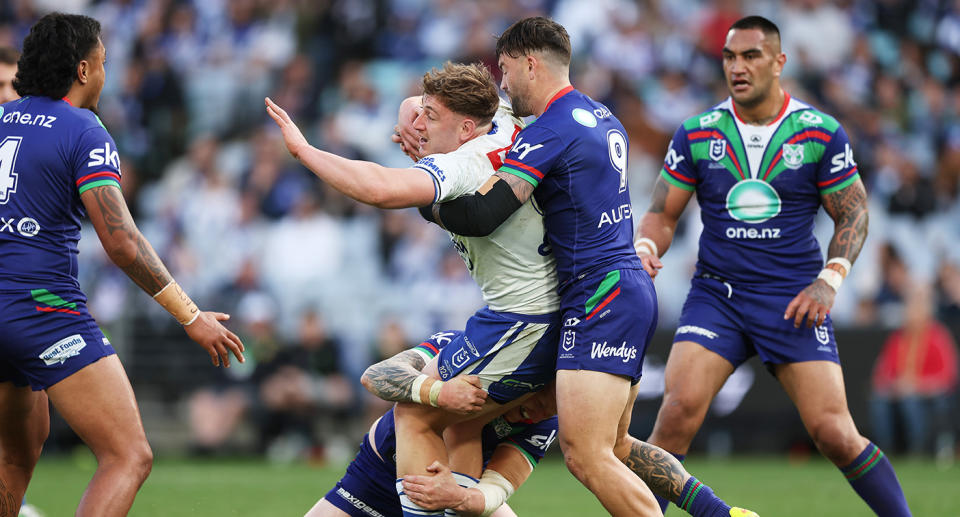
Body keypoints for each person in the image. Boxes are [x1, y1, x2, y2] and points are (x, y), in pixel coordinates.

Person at [269, 61, 752, 517]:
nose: (414, 127)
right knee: (613, 445)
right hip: (556, 313)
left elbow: (379, 188)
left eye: (428, 118)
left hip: (526, 319)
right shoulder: (495, 120)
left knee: (422, 419)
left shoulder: (467, 164)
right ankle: (721, 512)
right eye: (416, 118)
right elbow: (391, 385)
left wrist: (305, 152)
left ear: (464, 127)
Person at [420, 17, 741, 517]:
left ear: (530, 63)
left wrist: (428, 198)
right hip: (620, 286)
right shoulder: (600, 114)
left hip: (599, 295)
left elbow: (485, 214)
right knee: (617, 447)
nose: (503, 83)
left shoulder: (552, 128)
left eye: (504, 70)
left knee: (586, 455)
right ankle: (723, 515)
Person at [633, 16, 912, 516]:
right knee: (674, 417)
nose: (738, 67)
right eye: (729, 57)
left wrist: (831, 280)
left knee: (834, 433)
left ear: (779, 62)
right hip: (718, 296)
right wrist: (647, 248)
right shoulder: (698, 133)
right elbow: (662, 213)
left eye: (751, 56)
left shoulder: (819, 133)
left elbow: (853, 210)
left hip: (792, 299)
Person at [0, 13, 244, 517]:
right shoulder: (83, 130)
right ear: (85, 69)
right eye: (105, 62)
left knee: (15, 452)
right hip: (41, 310)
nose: (106, 73)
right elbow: (122, 243)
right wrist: (191, 315)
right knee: (127, 455)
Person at [304, 330, 559, 517]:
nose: (533, 416)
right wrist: (440, 392)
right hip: (377, 476)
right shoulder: (459, 348)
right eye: (533, 403)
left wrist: (462, 498)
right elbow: (374, 376)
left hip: (455, 485)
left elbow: (497, 486)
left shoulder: (549, 421)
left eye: (548, 411)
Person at [871, 283, 958, 455]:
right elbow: (882, 372)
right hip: (901, 390)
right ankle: (884, 451)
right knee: (879, 400)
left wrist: (917, 386)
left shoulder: (938, 336)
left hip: (929, 393)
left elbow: (947, 376)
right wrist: (894, 386)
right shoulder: (898, 338)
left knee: (910, 401)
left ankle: (917, 450)